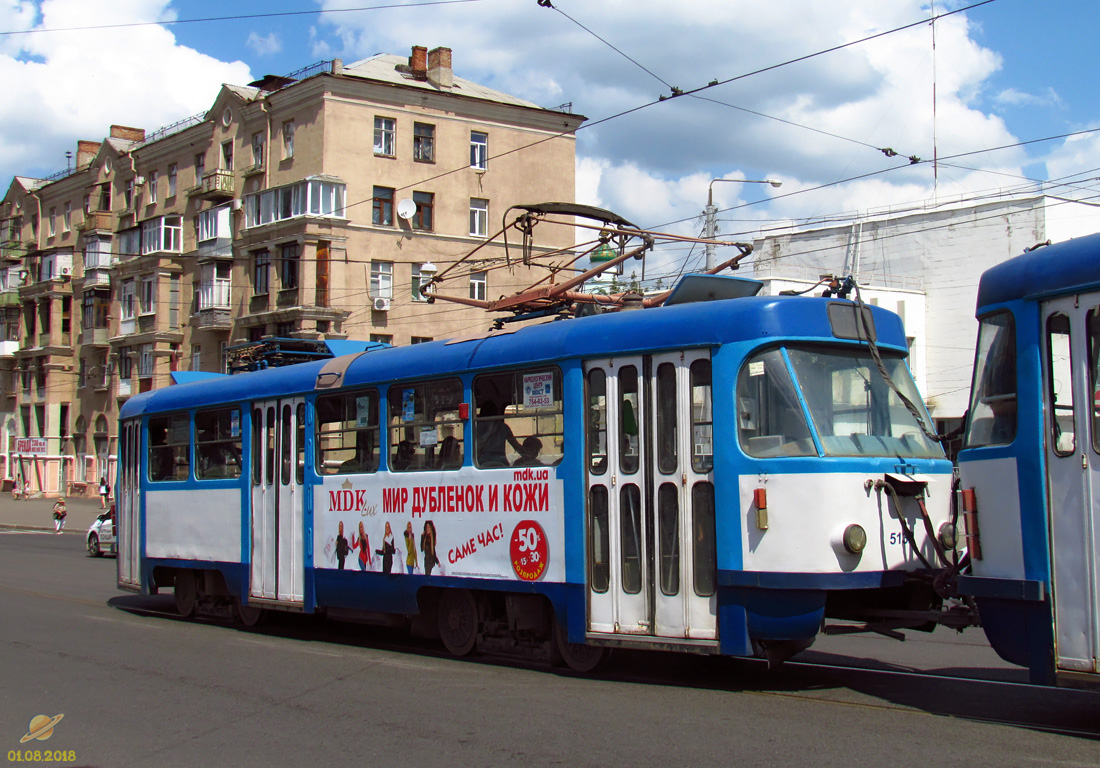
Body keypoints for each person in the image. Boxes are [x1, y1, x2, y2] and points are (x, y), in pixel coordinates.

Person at [475, 401, 522, 467]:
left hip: (483, 462)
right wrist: (527, 453)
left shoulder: (477, 427)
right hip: (501, 461)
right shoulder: (504, 427)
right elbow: (516, 446)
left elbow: (477, 447)